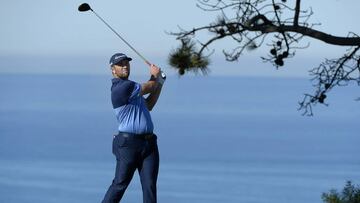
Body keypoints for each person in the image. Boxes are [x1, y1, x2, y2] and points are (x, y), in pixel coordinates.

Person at [102, 53, 165, 203]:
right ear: (113, 69)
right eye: (120, 64)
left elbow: (149, 104)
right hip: (128, 145)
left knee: (149, 187)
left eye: (126, 63)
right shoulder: (121, 87)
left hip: (149, 144)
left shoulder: (132, 90)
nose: (125, 66)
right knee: (120, 185)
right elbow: (149, 86)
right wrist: (155, 77)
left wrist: (160, 83)